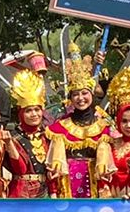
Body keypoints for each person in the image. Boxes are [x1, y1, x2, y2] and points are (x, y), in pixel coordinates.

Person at [46, 57, 111, 198]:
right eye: (75, 94)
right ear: (70, 98)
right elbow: (54, 166)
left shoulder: (103, 126)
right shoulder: (60, 127)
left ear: (92, 95)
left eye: (84, 93)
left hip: (95, 187)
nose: (80, 98)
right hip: (67, 185)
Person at [3, 71, 57, 198]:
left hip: (44, 193)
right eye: (28, 111)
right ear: (21, 113)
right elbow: (19, 169)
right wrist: (9, 145)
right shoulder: (13, 136)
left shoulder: (48, 135)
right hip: (21, 193)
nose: (34, 114)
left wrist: (54, 193)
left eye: (37, 110)